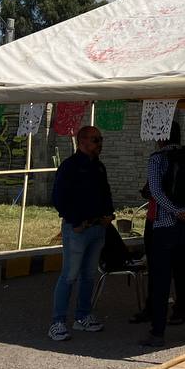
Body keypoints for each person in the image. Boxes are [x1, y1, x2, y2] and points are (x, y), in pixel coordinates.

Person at [139, 122, 185, 347]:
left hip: (163, 227)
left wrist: (177, 212)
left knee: (160, 281)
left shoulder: (157, 159)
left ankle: (157, 333)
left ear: (161, 137)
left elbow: (156, 192)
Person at [48, 125, 112, 342]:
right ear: (82, 141)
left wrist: (108, 214)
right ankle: (57, 322)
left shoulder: (99, 167)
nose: (99, 144)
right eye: (96, 140)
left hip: (97, 227)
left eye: (100, 139)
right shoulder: (70, 167)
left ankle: (83, 315)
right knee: (69, 275)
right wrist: (75, 221)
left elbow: (105, 192)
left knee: (88, 275)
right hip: (78, 228)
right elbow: (59, 198)